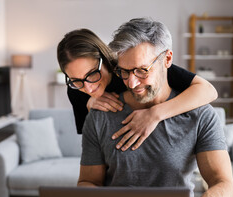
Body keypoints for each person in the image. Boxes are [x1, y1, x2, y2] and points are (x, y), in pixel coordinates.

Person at [77, 18, 233, 197]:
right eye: (124, 71)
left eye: (142, 70)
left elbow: (224, 184)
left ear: (167, 59)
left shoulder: (200, 115)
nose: (132, 83)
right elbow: (87, 182)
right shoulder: (100, 115)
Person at [57, 28, 218, 151]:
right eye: (76, 80)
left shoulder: (132, 66)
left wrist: (154, 114)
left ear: (104, 59)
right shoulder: (75, 90)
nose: (88, 87)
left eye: (92, 74)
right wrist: (89, 106)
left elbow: (208, 90)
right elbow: (94, 146)